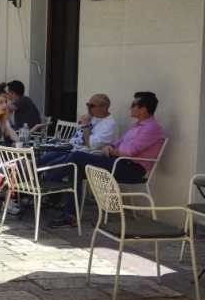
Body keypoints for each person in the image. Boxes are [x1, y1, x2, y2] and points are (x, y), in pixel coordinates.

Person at [49, 91, 166, 228]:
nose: (130, 107)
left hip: (132, 169)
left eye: (133, 105)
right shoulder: (136, 126)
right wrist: (111, 147)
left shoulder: (152, 128)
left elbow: (129, 151)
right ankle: (70, 215)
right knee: (76, 168)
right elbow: (118, 143)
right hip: (119, 162)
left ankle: (50, 180)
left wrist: (112, 150)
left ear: (143, 109)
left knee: (77, 156)